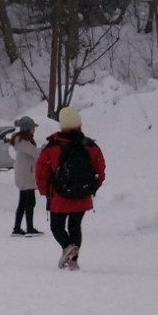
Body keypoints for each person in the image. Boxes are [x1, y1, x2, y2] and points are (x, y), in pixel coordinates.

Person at [35, 106, 105, 270]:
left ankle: (68, 247)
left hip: (59, 196)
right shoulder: (91, 146)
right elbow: (100, 171)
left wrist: (46, 191)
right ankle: (73, 259)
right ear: (80, 124)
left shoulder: (53, 147)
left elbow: (41, 172)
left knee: (56, 227)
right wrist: (92, 188)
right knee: (75, 226)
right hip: (82, 195)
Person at [8, 116, 41, 235]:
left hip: (25, 176)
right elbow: (35, 153)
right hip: (26, 177)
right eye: (33, 128)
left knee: (23, 203)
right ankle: (29, 228)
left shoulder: (22, 141)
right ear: (28, 129)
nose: (34, 130)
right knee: (29, 203)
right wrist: (45, 148)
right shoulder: (23, 142)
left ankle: (18, 227)